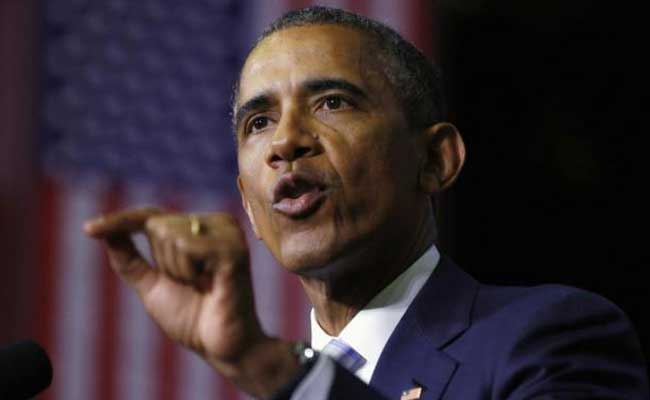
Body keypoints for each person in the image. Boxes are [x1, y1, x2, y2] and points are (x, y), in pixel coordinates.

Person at [83, 6, 649, 400]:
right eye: (259, 121)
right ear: (250, 209)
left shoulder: (548, 339)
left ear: (435, 161)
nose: (285, 143)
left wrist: (262, 364)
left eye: (332, 103)